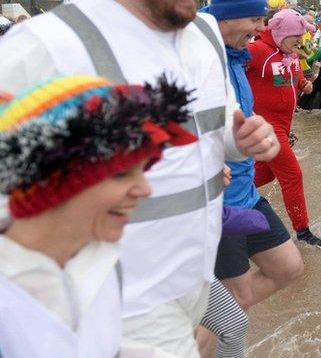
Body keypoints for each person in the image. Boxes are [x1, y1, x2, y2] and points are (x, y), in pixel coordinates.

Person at [0, 0, 280, 356]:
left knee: (230, 329)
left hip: (194, 277)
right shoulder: (45, 46)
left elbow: (211, 133)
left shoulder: (203, 37)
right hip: (116, 302)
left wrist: (240, 138)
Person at [0, 75, 193, 357]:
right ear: (52, 183)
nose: (145, 189)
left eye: (143, 170)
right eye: (120, 174)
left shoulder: (100, 257)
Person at [201, 0, 304, 319]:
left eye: (264, 19)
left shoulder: (235, 54)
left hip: (246, 192)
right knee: (237, 302)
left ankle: (200, 321)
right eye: (255, 19)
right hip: (220, 202)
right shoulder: (203, 58)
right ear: (226, 17)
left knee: (288, 267)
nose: (261, 27)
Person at [248, 9, 321, 247]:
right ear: (278, 32)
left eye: (301, 35)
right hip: (265, 127)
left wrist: (303, 84)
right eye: (295, 35)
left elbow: (291, 81)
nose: (300, 40)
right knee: (292, 175)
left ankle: (223, 195)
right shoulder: (257, 51)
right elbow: (227, 72)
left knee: (270, 172)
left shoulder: (292, 55)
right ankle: (303, 233)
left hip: (283, 126)